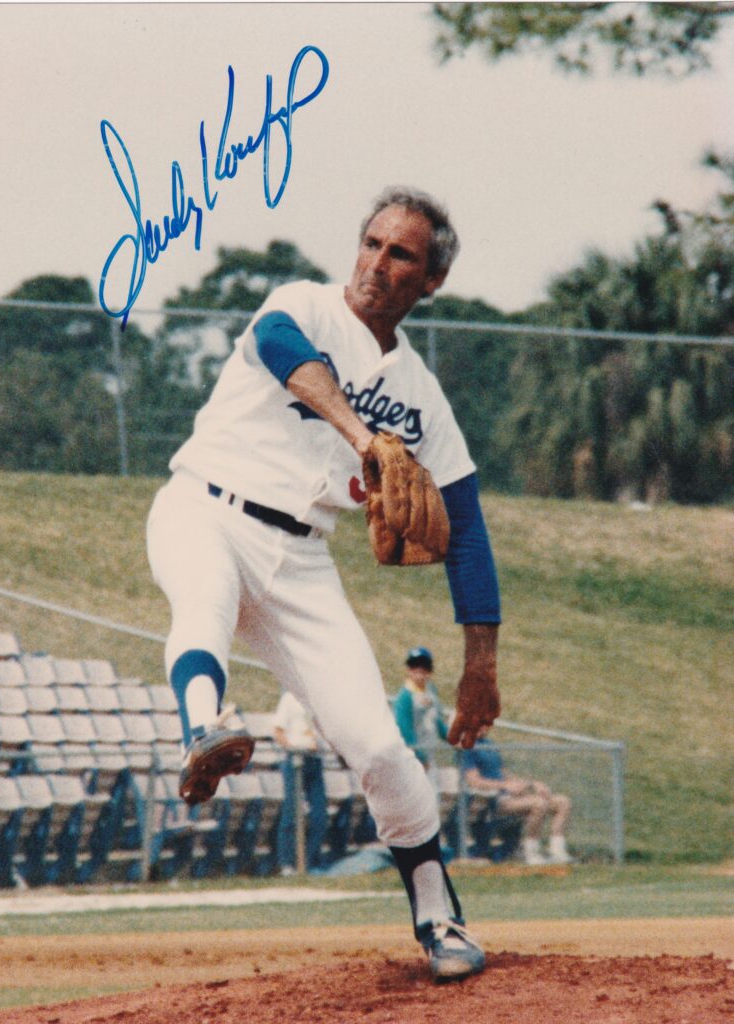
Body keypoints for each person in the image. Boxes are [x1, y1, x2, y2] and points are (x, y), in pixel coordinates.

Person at [146, 186, 502, 982]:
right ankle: (203, 729)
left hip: (302, 560)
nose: (377, 262)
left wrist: (479, 664)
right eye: (371, 242)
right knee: (202, 602)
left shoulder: (422, 397)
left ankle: (437, 915)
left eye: (400, 253)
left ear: (430, 280)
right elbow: (282, 351)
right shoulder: (300, 304)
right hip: (204, 506)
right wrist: (362, 437)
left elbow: (467, 528)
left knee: (378, 744)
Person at [461, 726, 573, 865]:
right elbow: (473, 780)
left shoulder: (490, 744)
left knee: (563, 802)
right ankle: (531, 853)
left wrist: (531, 784)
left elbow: (503, 774)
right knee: (539, 804)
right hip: (491, 800)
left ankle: (557, 851)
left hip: (510, 796)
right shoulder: (467, 747)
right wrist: (504, 786)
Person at [272, 690, 329, 873]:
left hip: (315, 759)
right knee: (291, 812)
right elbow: (278, 732)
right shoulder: (289, 699)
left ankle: (310, 862)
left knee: (319, 814)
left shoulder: (319, 699)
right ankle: (286, 863)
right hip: (295, 760)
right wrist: (294, 747)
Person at [393, 646, 449, 783]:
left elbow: (436, 720)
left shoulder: (431, 691)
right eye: (414, 666)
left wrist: (451, 737)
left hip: (429, 756)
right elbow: (405, 731)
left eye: (424, 667)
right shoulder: (405, 697)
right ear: (409, 670)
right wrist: (420, 758)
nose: (419, 671)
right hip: (411, 759)